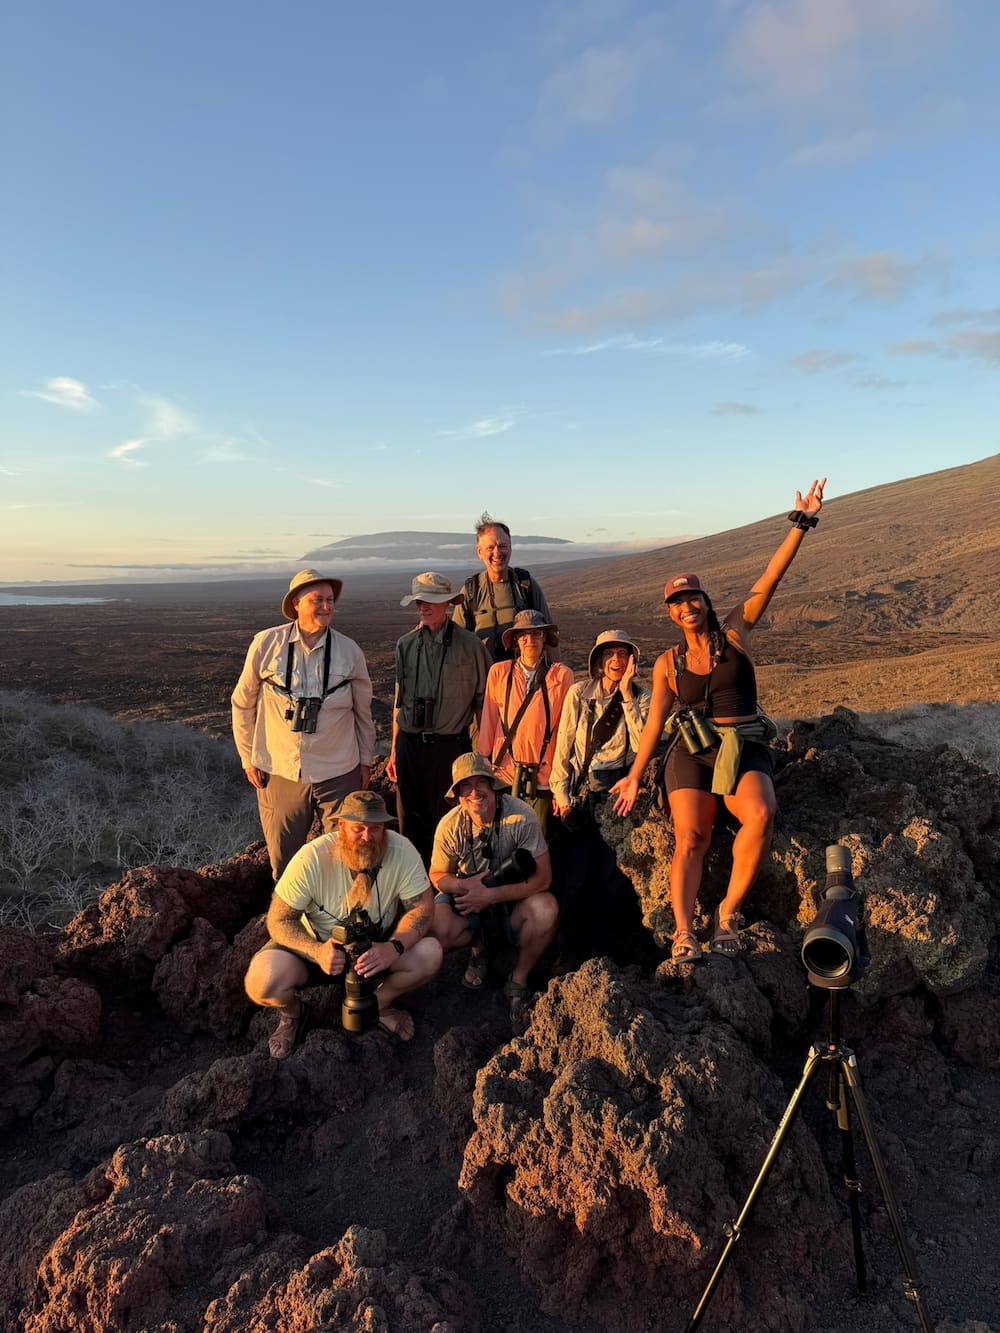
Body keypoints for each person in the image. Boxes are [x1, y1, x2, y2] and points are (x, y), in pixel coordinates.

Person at [612, 479, 826, 962]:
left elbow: (769, 578)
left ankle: (728, 912)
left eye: (693, 599)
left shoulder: (735, 633)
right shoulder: (668, 663)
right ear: (670, 614)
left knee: (761, 813)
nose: (687, 607)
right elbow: (653, 726)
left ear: (705, 603)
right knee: (692, 836)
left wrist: (802, 522)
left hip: (743, 744)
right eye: (676, 603)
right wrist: (632, 775)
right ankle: (684, 931)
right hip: (691, 752)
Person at [244, 789, 442, 1056]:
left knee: (430, 953)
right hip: (318, 950)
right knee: (261, 980)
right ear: (341, 827)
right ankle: (292, 1015)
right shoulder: (312, 858)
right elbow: (278, 919)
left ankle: (380, 1005)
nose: (367, 837)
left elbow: (423, 907)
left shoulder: (401, 850)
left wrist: (394, 947)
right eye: (358, 828)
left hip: (375, 952)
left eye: (375, 829)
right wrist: (315, 951)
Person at [232, 568, 376, 882]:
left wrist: (366, 760)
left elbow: (363, 713)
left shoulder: (349, 651)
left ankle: (341, 917)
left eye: (330, 600)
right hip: (280, 769)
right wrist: (248, 757)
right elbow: (242, 703)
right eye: (317, 600)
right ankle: (289, 920)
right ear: (296, 604)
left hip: (339, 769)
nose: (326, 606)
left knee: (343, 854)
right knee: (284, 859)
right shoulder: (266, 644)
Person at [548, 629, 651, 962]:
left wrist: (627, 698)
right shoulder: (580, 693)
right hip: (584, 793)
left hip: (620, 794)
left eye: (623, 654)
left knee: (612, 878)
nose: (616, 660)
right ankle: (566, 952)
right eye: (610, 654)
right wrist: (563, 801)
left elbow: (641, 746)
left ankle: (603, 952)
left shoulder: (642, 697)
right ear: (599, 660)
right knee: (576, 877)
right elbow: (563, 751)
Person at [430, 753, 557, 1004]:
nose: (474, 792)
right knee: (439, 928)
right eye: (465, 785)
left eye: (481, 783)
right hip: (468, 897)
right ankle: (479, 950)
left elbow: (544, 879)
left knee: (546, 910)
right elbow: (436, 875)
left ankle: (519, 976)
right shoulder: (450, 826)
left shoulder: (521, 817)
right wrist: (462, 885)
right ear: (457, 794)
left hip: (510, 895)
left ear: (493, 786)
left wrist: (490, 896)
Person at [387, 572, 488, 866]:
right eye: (419, 602)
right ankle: (412, 890)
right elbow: (399, 702)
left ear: (447, 604)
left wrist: (482, 754)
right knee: (409, 821)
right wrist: (395, 749)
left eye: (430, 601)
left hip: (449, 748)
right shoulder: (404, 645)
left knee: (448, 820)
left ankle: (445, 890)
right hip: (409, 746)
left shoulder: (471, 647)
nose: (423, 608)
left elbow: (484, 704)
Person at [476, 609, 575, 838]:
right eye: (524, 635)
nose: (530, 640)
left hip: (544, 777)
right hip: (505, 774)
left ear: (544, 638)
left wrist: (562, 786)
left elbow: (565, 731)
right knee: (503, 839)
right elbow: (489, 720)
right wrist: (483, 767)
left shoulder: (562, 676)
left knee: (538, 843)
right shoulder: (499, 673)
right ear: (516, 641)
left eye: (536, 634)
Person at [454, 512, 556, 663]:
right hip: (484, 679)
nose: (497, 553)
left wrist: (557, 677)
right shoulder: (471, 590)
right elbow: (456, 639)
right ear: (479, 552)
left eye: (502, 546)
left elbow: (549, 636)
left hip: (521, 678)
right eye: (490, 548)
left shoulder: (526, 585)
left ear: (510, 548)